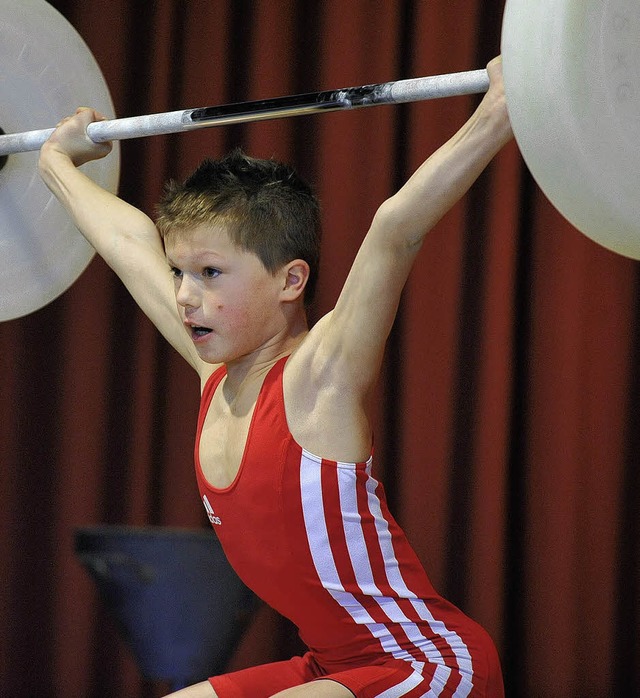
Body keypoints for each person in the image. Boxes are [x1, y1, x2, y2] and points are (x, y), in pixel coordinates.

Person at [39, 55, 513, 698]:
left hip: (425, 663)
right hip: (331, 668)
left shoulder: (321, 376)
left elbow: (395, 228)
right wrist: (54, 163)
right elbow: (128, 245)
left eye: (210, 274)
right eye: (180, 273)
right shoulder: (212, 374)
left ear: (291, 280)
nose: (184, 296)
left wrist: (502, 109)